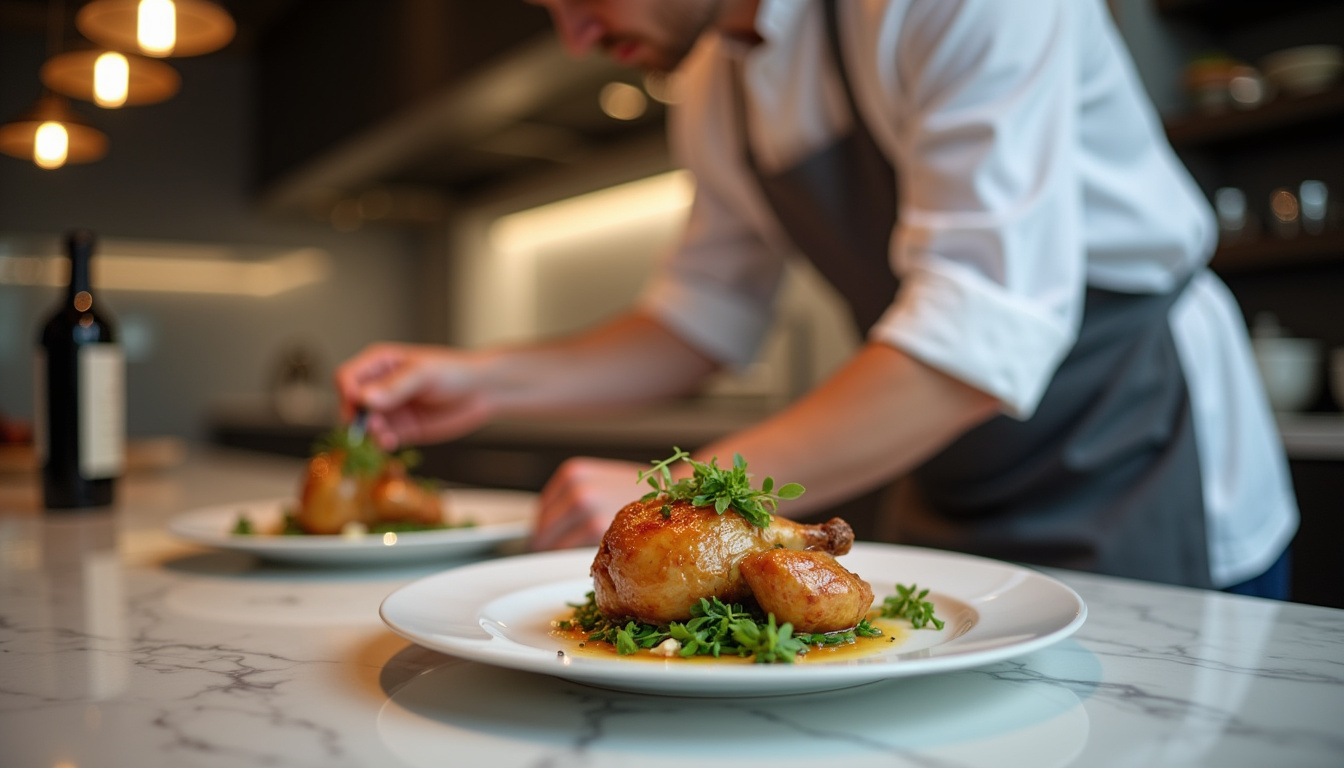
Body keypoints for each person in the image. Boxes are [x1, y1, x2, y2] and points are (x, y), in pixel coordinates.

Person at [337, 0, 1298, 596]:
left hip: (1133, 442)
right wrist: (484, 377)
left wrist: (683, 501)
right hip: (948, 466)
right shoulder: (716, 82)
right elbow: (699, 319)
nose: (577, 34)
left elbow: (981, 327)